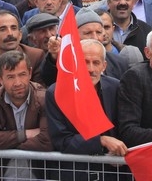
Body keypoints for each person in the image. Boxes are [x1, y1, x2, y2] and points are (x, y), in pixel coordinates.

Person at [46, 39, 127, 180]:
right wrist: (101, 141)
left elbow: (125, 128)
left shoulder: (116, 88)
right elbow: (62, 140)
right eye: (85, 62)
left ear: (104, 65)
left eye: (96, 63)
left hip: (112, 173)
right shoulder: (56, 93)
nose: (90, 69)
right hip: (75, 173)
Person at [0, 51, 52, 179]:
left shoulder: (44, 99)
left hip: (39, 176)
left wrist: (4, 143)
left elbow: (47, 141)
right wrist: (25, 134)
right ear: (0, 79)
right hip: (4, 176)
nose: (17, 83)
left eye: (22, 75)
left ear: (30, 73)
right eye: (10, 77)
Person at [0, 10, 44, 94]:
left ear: (20, 35)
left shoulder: (36, 56)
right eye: (3, 29)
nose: (10, 33)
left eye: (13, 28)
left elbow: (39, 93)